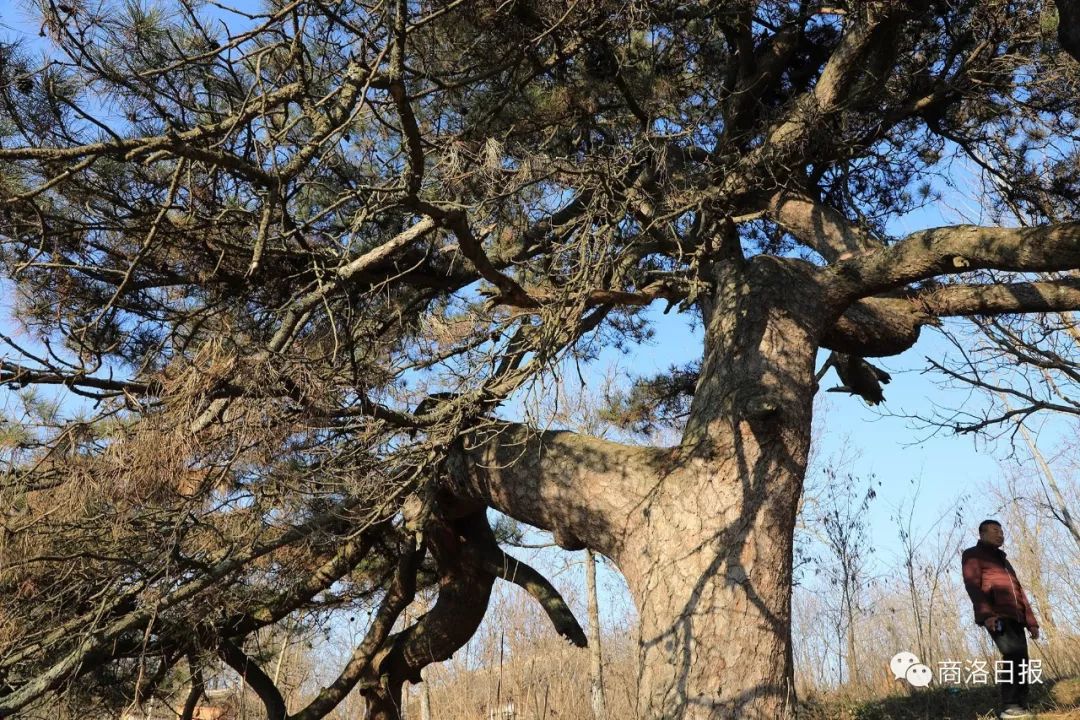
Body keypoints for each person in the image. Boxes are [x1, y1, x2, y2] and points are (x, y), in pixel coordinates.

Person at [962, 519, 1041, 719]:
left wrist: (1031, 622)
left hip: (1016, 617)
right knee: (1012, 654)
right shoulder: (972, 555)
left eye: (1002, 531)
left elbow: (1019, 592)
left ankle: (1021, 705)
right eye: (995, 531)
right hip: (996, 615)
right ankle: (1010, 705)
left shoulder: (1004, 562)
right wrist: (987, 615)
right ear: (982, 534)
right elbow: (973, 586)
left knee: (1022, 660)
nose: (1001, 534)